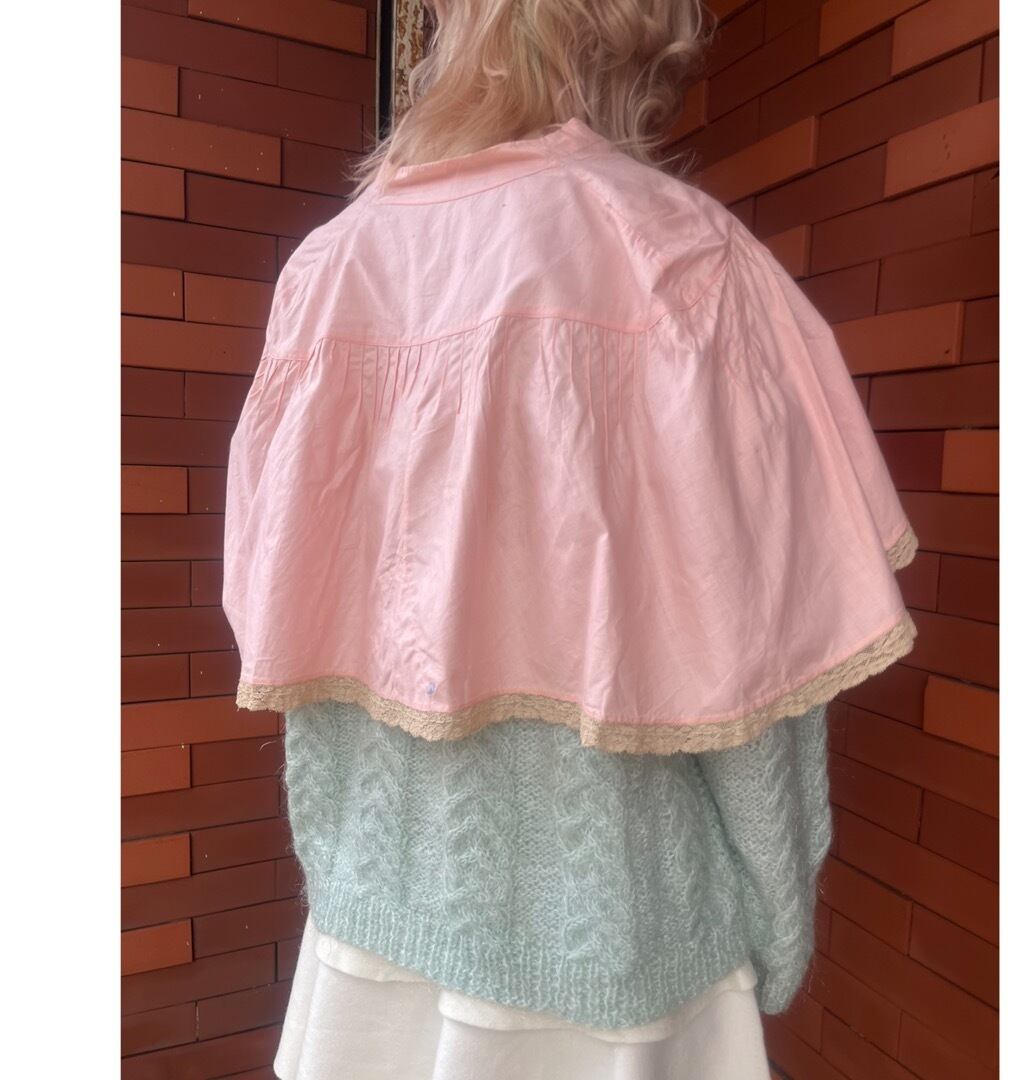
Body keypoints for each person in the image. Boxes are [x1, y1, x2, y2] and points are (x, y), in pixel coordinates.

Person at [221, 2, 918, 1077]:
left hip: (364, 951)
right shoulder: (685, 263)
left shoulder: (327, 274)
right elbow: (764, 687)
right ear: (634, 47)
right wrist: (777, 933)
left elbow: (287, 644)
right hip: (625, 974)